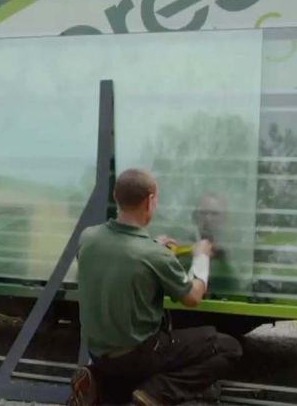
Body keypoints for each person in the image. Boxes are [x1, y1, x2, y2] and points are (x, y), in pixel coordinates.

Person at [69, 169, 242, 406]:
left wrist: (152, 245)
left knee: (124, 376)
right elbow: (193, 297)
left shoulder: (87, 238)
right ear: (150, 201)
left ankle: (99, 381)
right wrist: (201, 257)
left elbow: (119, 257)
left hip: (99, 352)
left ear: (117, 197)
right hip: (137, 353)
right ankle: (156, 392)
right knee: (227, 347)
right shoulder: (154, 255)